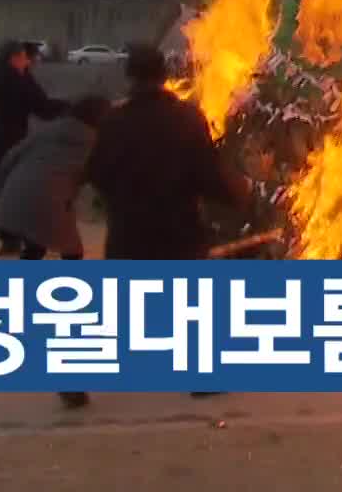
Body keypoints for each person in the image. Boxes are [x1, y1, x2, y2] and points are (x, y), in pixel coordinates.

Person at [65, 45, 247, 410]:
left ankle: (74, 377)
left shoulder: (113, 122)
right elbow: (207, 174)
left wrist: (118, 198)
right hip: (177, 227)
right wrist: (235, 197)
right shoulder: (187, 118)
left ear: (131, 76)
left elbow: (96, 173)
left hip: (129, 228)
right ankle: (203, 377)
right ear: (164, 76)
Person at [0, 41, 68, 257]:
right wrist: (71, 107)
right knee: (9, 193)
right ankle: (9, 240)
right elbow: (43, 108)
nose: (28, 62)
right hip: (8, 145)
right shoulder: (19, 79)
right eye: (25, 57)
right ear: (15, 57)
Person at [0, 95, 110, 262]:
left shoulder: (47, 130)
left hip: (15, 198)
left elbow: (8, 160)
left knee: (35, 247)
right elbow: (101, 176)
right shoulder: (94, 141)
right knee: (72, 253)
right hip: (51, 202)